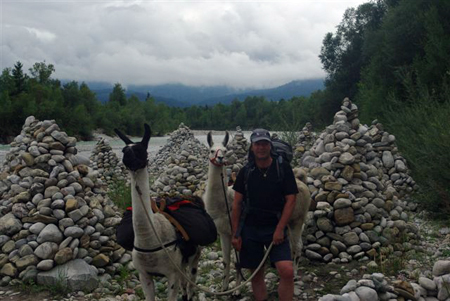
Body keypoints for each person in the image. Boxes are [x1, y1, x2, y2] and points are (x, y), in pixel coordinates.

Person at [231, 128, 299, 301]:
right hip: (251, 228)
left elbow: (291, 199)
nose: (261, 147)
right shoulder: (246, 172)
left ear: (270, 146)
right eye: (257, 144)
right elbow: (237, 204)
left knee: (287, 271)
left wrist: (280, 228)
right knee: (256, 273)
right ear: (252, 147)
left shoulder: (282, 167)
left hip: (275, 226)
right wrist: (235, 234)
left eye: (264, 144)